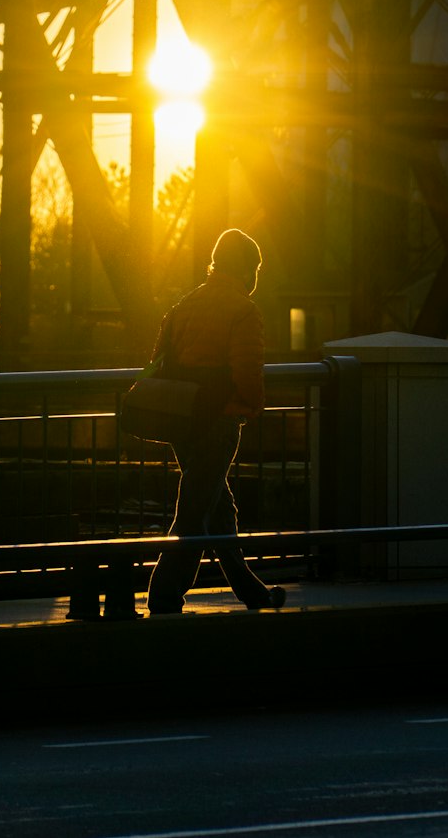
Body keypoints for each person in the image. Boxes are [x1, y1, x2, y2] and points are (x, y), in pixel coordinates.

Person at [146, 228, 286, 615]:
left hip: (182, 421)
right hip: (218, 421)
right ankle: (163, 595)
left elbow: (157, 360)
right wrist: (252, 407)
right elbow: (247, 373)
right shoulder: (243, 310)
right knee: (193, 512)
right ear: (247, 269)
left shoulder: (184, 305)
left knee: (217, 509)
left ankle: (252, 592)